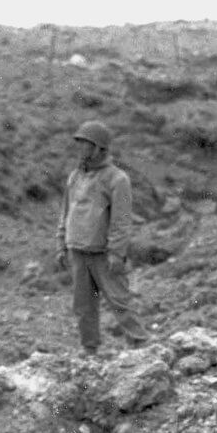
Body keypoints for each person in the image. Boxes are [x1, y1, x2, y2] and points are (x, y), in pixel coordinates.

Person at [56, 120, 150, 355]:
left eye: (86, 145)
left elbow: (121, 221)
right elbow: (65, 213)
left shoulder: (118, 179)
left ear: (100, 148)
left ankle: (140, 345)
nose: (81, 150)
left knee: (119, 301)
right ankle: (90, 350)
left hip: (103, 254)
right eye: (80, 144)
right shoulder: (74, 177)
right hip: (77, 250)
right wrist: (61, 243)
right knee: (83, 306)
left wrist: (116, 253)